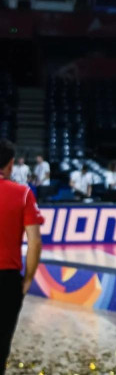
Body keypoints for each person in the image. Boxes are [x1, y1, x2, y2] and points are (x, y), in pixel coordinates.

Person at [0, 139, 42, 369]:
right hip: (7, 280)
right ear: (10, 164)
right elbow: (35, 242)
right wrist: (27, 280)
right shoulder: (23, 194)